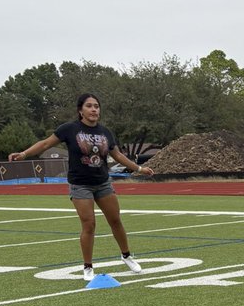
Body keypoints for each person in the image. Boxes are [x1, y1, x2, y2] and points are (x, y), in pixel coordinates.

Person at [8, 93, 152, 281]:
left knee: (115, 220)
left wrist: (139, 168)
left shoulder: (105, 132)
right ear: (80, 110)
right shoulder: (69, 129)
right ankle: (88, 267)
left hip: (102, 183)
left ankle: (126, 256)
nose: (94, 110)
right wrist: (24, 154)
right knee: (89, 224)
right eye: (89, 106)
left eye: (97, 106)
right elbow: (45, 144)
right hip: (80, 185)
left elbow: (118, 156)